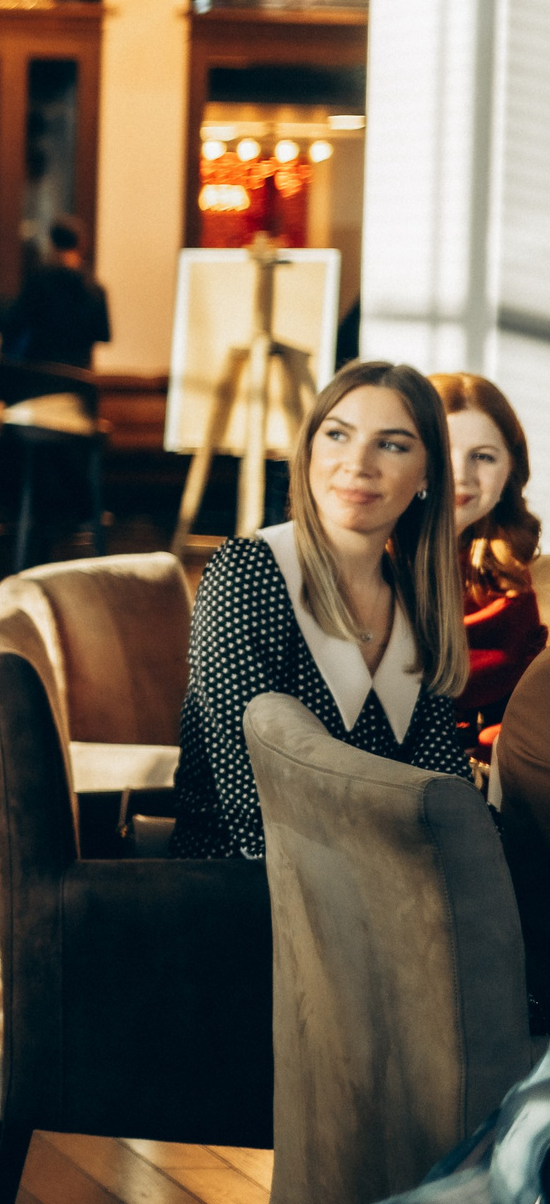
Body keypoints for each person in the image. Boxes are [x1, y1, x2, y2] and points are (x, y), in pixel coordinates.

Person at [172, 360, 470, 860]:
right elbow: (252, 806)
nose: (358, 464)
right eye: (337, 435)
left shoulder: (419, 601)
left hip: (388, 891)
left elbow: (443, 784)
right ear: (308, 449)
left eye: (392, 445)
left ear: (428, 473)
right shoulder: (246, 572)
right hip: (240, 890)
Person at [432, 372, 545, 741]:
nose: (460, 475)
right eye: (441, 453)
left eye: (482, 456)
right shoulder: (367, 566)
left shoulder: (507, 574)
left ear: (511, 468)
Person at [0, 217, 109, 368]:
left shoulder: (38, 282)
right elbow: (103, 334)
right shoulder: (94, 289)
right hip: (78, 375)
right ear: (82, 243)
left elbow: (17, 323)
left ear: (52, 244)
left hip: (41, 372)